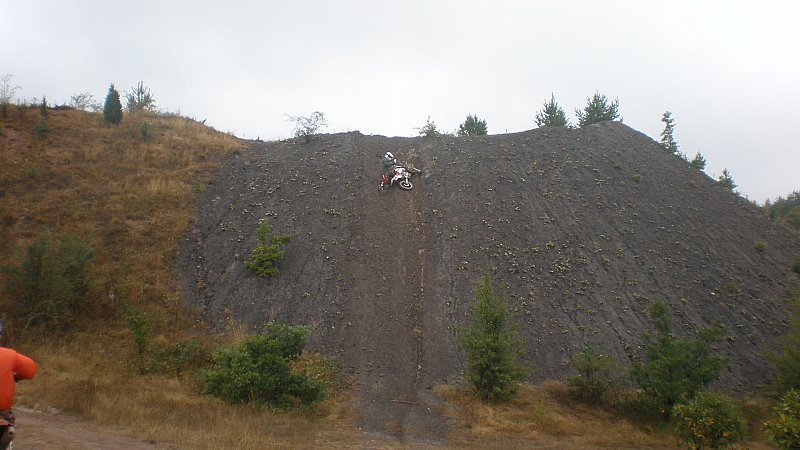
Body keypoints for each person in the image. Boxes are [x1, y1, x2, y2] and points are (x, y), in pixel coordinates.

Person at [0, 322, 36, 449]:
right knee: (8, 425)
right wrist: (17, 376)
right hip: (3, 412)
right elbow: (31, 370)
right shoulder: (10, 355)